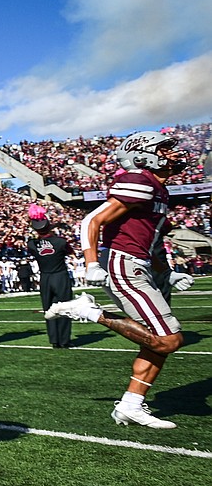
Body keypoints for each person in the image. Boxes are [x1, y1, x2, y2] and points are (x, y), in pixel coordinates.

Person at [47, 131, 195, 428]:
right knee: (169, 339)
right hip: (123, 264)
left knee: (157, 341)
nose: (173, 155)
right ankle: (89, 311)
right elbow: (91, 220)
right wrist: (90, 264)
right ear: (142, 154)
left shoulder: (158, 188)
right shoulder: (139, 180)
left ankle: (131, 405)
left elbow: (151, 242)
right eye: (163, 150)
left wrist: (167, 272)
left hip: (139, 264)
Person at [27, 204, 73, 349]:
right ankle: (64, 340)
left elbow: (34, 246)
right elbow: (69, 251)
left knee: (49, 308)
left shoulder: (32, 244)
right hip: (60, 276)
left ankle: (54, 340)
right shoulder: (61, 242)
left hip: (45, 277)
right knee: (65, 307)